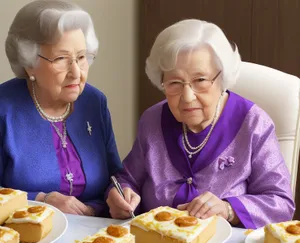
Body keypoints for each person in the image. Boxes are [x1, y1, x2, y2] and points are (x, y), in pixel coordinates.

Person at [106, 19, 295, 228]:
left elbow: (281, 204)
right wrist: (120, 193)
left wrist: (228, 209)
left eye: (200, 81)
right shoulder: (152, 120)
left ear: (221, 78)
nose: (187, 97)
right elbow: (128, 179)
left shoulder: (254, 124)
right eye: (175, 83)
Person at [0, 0, 122, 216]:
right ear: (29, 63)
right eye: (61, 59)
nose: (76, 72)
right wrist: (41, 200)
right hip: (23, 239)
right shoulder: (4, 108)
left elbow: (115, 175)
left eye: (82, 57)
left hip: (95, 235)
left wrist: (119, 193)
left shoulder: (95, 102)